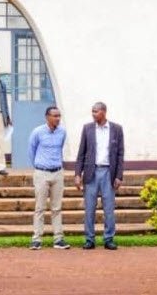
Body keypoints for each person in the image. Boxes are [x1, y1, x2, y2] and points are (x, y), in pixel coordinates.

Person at [74, 101, 124, 250]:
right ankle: (89, 239)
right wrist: (77, 174)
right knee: (89, 208)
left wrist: (119, 176)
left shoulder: (116, 129)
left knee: (109, 209)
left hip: (109, 172)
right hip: (91, 172)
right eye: (92, 111)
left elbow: (120, 154)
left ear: (104, 112)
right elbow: (81, 153)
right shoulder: (87, 128)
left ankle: (108, 239)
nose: (93, 114)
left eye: (96, 111)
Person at [27, 106, 70, 250]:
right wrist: (38, 166)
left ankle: (58, 238)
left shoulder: (62, 132)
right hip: (42, 173)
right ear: (47, 117)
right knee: (40, 207)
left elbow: (60, 149)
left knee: (57, 207)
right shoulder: (37, 132)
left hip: (57, 172)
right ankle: (37, 239)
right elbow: (31, 150)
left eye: (59, 116)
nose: (58, 118)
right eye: (55, 116)